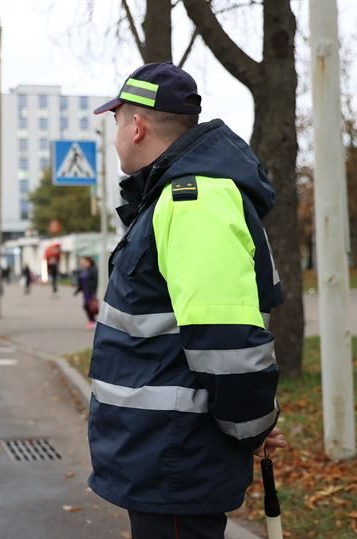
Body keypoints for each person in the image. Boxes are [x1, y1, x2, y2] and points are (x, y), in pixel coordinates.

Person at [86, 62, 287, 539]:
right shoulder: (176, 198)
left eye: (117, 123)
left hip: (176, 454)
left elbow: (227, 339)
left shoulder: (192, 201)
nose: (116, 137)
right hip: (166, 451)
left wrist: (253, 427)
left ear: (137, 126)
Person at [74, 256, 99, 329]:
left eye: (84, 262)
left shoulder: (93, 270)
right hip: (85, 292)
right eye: (82, 262)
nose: (83, 263)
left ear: (89, 262)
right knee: (86, 306)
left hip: (90, 292)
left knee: (88, 306)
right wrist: (77, 291)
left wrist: (94, 293)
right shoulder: (84, 271)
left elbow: (95, 282)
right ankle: (92, 321)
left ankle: (92, 321)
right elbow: (81, 282)